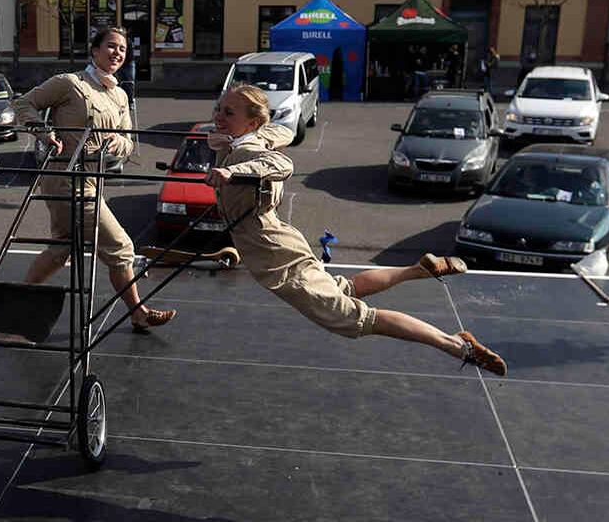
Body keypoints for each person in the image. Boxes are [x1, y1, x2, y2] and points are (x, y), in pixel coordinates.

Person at [203, 82, 507, 375]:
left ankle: (456, 344)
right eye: (219, 109)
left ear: (253, 122)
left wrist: (232, 171)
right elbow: (278, 131)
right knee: (345, 288)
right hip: (278, 241)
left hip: (276, 259)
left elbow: (282, 165)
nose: (219, 116)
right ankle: (418, 270)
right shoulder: (248, 140)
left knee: (355, 319)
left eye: (229, 113)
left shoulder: (250, 151)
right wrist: (227, 145)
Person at [11, 26, 176, 333]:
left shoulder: (120, 95)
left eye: (123, 50)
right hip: (64, 177)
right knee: (121, 246)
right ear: (95, 50)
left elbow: (128, 142)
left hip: (94, 178)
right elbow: (23, 103)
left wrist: (119, 144)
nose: (117, 53)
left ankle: (17, 302)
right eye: (111, 46)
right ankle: (138, 313)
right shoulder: (70, 83)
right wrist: (42, 132)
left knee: (62, 248)